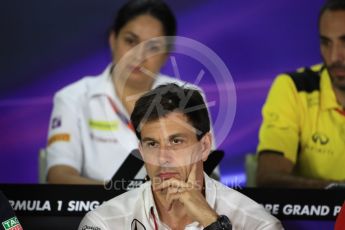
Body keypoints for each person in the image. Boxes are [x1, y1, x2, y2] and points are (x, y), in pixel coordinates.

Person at [46, 0, 214, 184]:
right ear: (113, 40)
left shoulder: (188, 97)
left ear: (166, 54)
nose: (138, 55)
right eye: (130, 41)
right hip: (97, 210)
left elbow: (209, 175)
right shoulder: (73, 98)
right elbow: (59, 177)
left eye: (152, 47)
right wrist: (127, 201)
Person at [79, 83, 283, 230]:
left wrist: (212, 222)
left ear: (204, 147)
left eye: (176, 142)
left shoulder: (258, 224)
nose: (163, 158)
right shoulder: (104, 223)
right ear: (141, 151)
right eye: (152, 144)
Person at [256, 0, 345, 188]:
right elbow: (269, 178)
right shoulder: (294, 88)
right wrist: (335, 192)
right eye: (326, 43)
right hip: (316, 218)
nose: (334, 56)